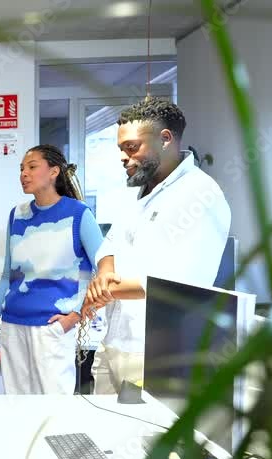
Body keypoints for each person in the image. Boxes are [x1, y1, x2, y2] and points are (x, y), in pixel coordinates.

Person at [84, 98, 231, 394]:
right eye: (121, 148)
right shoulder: (139, 191)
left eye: (132, 147)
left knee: (140, 425)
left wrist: (103, 291)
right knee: (101, 421)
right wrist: (105, 274)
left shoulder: (199, 194)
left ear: (165, 139)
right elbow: (109, 244)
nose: (123, 157)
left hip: (157, 350)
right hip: (116, 340)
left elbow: (175, 283)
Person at [0, 145, 104, 394]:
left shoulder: (79, 214)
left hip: (52, 327)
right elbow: (8, 274)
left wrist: (75, 315)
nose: (24, 174)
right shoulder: (17, 214)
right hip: (13, 325)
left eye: (32, 167)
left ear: (54, 172)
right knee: (16, 403)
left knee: (53, 406)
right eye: (21, 169)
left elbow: (104, 271)